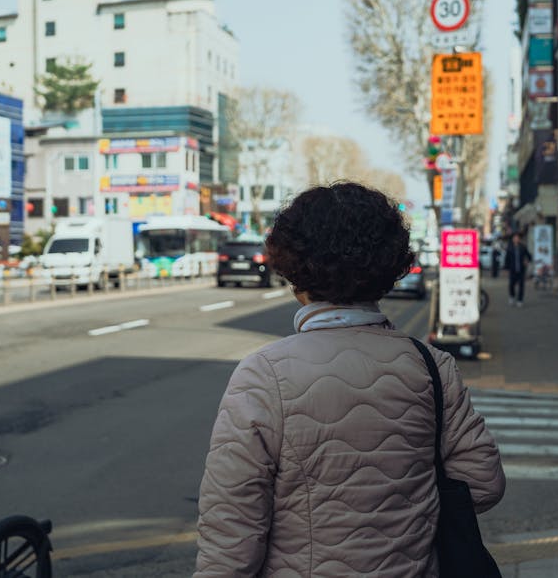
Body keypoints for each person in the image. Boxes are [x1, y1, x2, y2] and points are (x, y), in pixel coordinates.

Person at [194, 182, 505, 577]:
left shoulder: (263, 374)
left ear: (294, 269)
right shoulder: (431, 365)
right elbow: (484, 482)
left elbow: (230, 531)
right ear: (388, 265)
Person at [504, 232, 532, 307]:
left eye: (517, 238)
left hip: (521, 269)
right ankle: (512, 296)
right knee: (511, 285)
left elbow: (529, 256)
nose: (516, 239)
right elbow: (507, 259)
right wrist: (506, 269)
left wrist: (527, 261)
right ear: (513, 239)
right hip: (512, 269)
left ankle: (520, 300)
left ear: (519, 239)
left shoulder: (523, 247)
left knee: (521, 285)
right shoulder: (510, 248)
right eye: (514, 238)